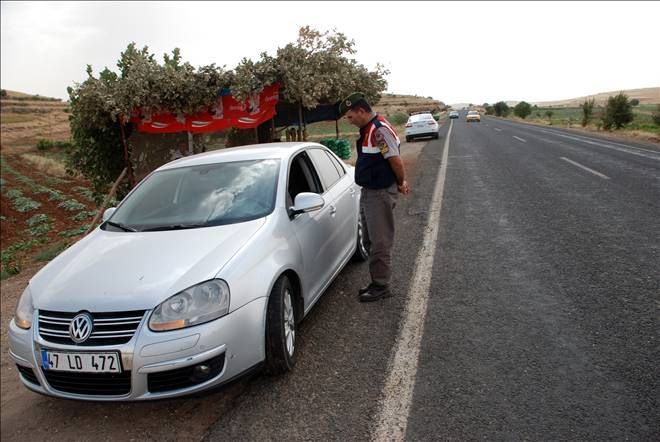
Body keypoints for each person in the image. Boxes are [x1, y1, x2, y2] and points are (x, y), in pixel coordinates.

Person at [339, 92, 410, 302]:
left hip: (379, 193)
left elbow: (396, 161)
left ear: (361, 111)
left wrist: (400, 182)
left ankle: (381, 286)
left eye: (350, 116)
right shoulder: (369, 129)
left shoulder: (379, 130)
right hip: (370, 192)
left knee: (380, 241)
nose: (349, 121)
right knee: (370, 239)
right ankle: (376, 280)